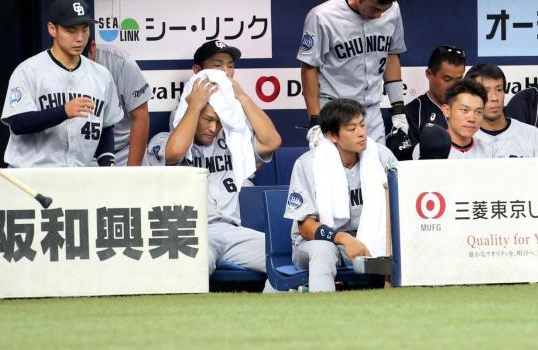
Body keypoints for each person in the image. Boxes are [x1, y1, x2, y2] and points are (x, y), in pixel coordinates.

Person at [145, 40, 281, 278]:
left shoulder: (230, 141)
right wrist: (194, 106)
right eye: (207, 119)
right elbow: (175, 153)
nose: (213, 128)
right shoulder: (162, 140)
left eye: (218, 121)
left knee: (283, 257)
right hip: (190, 232)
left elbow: (271, 142)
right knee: (192, 269)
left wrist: (242, 97)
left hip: (232, 232)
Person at [284, 98, 398, 292]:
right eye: (351, 128)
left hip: (371, 240)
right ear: (332, 135)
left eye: (362, 125)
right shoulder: (309, 164)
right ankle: (323, 314)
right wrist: (344, 239)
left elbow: (401, 203)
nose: (361, 133)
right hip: (323, 243)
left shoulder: (381, 156)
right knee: (322, 250)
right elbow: (305, 227)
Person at [1, 0, 123, 168]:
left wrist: (108, 166)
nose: (80, 38)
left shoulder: (102, 75)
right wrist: (63, 111)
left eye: (85, 29)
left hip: (78, 178)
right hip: (31, 175)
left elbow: (106, 128)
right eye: (71, 30)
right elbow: (18, 123)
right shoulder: (28, 70)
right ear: (52, 29)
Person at [298, 0, 407, 144]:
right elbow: (309, 67)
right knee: (334, 171)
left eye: (383, 10)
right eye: (374, 8)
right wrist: (315, 121)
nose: (379, 15)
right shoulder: (322, 16)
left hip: (371, 111)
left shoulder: (393, 10)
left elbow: (391, 54)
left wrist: (398, 110)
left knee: (376, 170)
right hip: (335, 110)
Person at [388, 45, 466, 160]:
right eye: (447, 79)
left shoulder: (472, 110)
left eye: (459, 80)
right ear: (429, 74)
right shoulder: (412, 114)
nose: (454, 86)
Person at [87, 39, 152, 166]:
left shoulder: (120, 61)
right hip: (84, 155)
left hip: (123, 151)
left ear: (92, 48)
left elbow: (140, 116)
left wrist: (131, 171)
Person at [466, 64, 538, 157]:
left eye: (499, 90)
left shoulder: (533, 136)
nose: (494, 98)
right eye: (485, 91)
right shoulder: (463, 139)